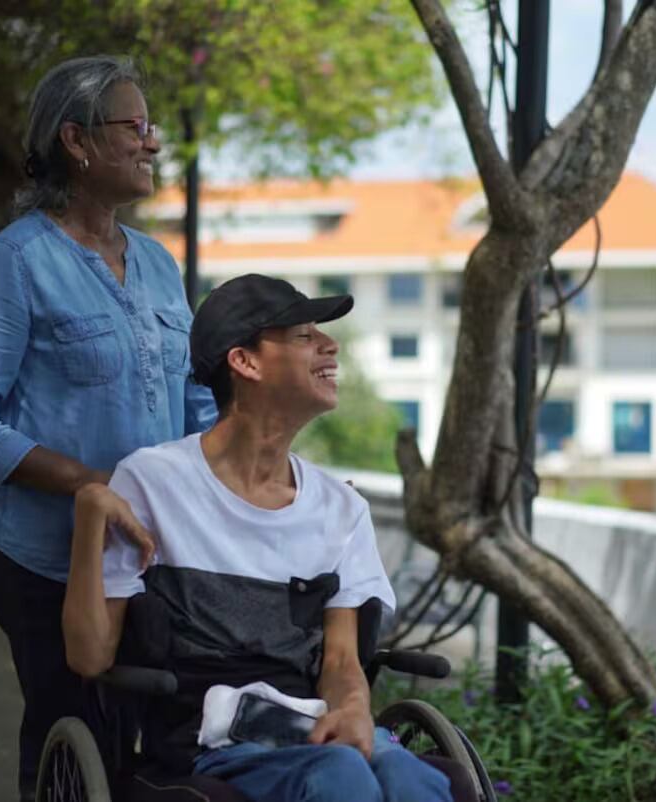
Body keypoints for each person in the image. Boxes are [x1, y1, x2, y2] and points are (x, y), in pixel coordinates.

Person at [0, 55, 217, 802]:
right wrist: (92, 482)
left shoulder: (155, 264)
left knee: (164, 743)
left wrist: (244, 482)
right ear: (77, 142)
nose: (153, 142)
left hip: (154, 558)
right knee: (74, 739)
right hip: (48, 562)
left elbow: (195, 402)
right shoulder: (16, 264)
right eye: (136, 126)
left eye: (152, 128)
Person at [63, 274, 452, 802]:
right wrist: (89, 516)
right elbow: (89, 658)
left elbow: (340, 662)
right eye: (303, 336)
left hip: (308, 725)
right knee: (340, 777)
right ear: (245, 362)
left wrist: (354, 710)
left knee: (413, 777)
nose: (330, 345)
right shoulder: (152, 483)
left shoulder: (341, 509)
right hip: (207, 742)